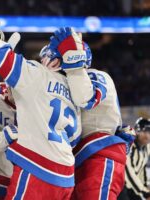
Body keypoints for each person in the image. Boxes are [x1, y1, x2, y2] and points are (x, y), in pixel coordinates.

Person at [0, 23, 82, 199]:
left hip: (39, 169)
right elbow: (74, 138)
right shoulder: (74, 93)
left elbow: (0, 56)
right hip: (66, 176)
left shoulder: (38, 74)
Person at [43, 28, 135, 200]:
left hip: (98, 154)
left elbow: (86, 98)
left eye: (52, 57)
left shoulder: (96, 75)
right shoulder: (60, 83)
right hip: (74, 160)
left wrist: (73, 64)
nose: (46, 63)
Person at [118, 117, 150, 200]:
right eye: (144, 131)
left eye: (149, 132)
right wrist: (145, 192)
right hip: (122, 185)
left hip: (132, 186)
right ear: (137, 131)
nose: (147, 135)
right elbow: (128, 173)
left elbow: (142, 170)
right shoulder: (129, 145)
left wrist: (146, 186)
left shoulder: (146, 148)